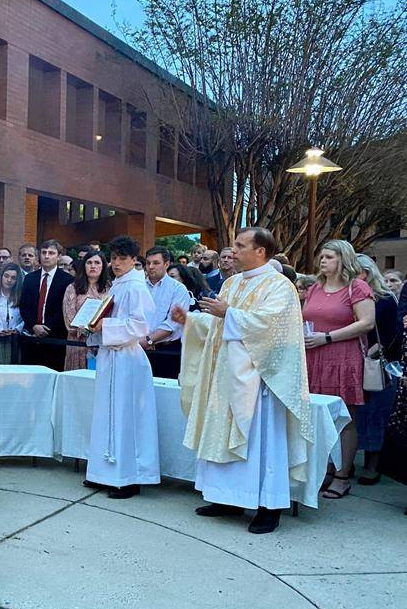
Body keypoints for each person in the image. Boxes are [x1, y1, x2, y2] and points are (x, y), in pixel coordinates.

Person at [175, 228, 313, 534]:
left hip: (260, 380)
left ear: (261, 251)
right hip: (227, 377)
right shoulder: (232, 282)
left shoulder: (280, 287)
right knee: (225, 438)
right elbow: (217, 324)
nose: (233, 251)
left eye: (240, 245)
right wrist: (192, 321)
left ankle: (269, 506)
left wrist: (230, 313)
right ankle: (228, 498)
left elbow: (272, 328)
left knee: (260, 443)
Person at [84, 236, 159, 499]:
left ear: (133, 260)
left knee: (126, 417)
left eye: (121, 258)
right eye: (113, 258)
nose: (115, 263)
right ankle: (104, 472)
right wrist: (93, 325)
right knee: (107, 415)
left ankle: (129, 478)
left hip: (127, 358)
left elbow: (141, 325)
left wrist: (106, 326)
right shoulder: (118, 285)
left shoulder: (136, 287)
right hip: (111, 356)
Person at [302, 240, 375, 501]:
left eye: (329, 256)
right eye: (321, 256)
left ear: (343, 259)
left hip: (342, 357)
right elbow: (305, 318)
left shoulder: (357, 286)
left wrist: (328, 337)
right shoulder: (316, 287)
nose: (323, 261)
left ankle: (343, 476)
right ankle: (327, 469)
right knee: (319, 416)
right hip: (313, 356)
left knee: (345, 417)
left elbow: (367, 322)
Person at [354, 254, 400, 484]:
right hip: (354, 359)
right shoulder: (350, 295)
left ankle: (373, 463)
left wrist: (375, 350)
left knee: (376, 412)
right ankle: (349, 459)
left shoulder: (385, 298)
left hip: (376, 363)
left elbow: (393, 332)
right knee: (357, 412)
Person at [19, 240, 73, 371]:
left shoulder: (67, 280)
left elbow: (64, 308)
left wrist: (48, 327)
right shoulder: (30, 278)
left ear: (59, 256)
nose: (47, 256)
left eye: (51, 253)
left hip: (55, 338)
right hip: (31, 337)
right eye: (44, 253)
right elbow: (24, 305)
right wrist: (33, 325)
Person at [142, 246, 191, 379]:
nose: (151, 267)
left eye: (156, 263)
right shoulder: (138, 285)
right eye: (148, 263)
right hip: (138, 348)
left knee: (165, 393)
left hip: (167, 350)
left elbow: (173, 323)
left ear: (166, 264)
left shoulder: (178, 289)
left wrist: (149, 340)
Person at [63, 250, 112, 371]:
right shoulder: (72, 288)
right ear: (84, 266)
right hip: (77, 342)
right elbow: (69, 319)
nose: (93, 266)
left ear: (103, 266)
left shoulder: (110, 288)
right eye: (89, 262)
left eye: (97, 262)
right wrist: (84, 329)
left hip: (102, 341)